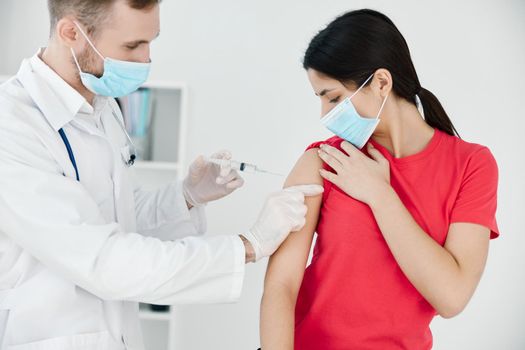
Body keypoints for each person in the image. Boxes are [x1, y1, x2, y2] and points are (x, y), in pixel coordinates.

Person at [0, 0, 323, 349]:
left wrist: (186, 196)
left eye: (150, 41)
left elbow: (120, 217)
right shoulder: (13, 125)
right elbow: (104, 261)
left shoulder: (102, 107)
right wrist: (248, 245)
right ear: (71, 33)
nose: (145, 59)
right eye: (132, 45)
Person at [260, 9, 499, 350]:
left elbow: (451, 296)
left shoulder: (472, 165)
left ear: (382, 83)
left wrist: (379, 194)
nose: (325, 115)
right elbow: (280, 285)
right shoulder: (325, 160)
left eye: (334, 97)